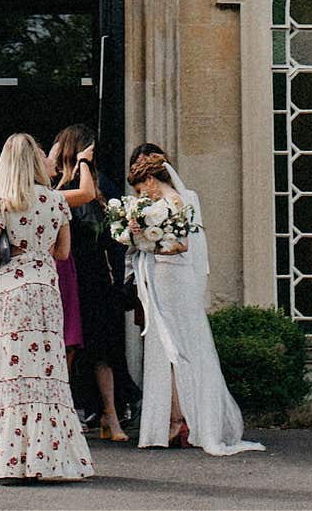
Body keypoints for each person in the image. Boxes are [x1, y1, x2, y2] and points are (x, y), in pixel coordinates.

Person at [117, 147, 261, 456]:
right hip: (158, 278)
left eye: (142, 188)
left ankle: (180, 418)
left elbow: (181, 246)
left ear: (153, 180)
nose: (142, 194)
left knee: (176, 346)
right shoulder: (156, 204)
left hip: (173, 279)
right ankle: (172, 418)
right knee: (164, 346)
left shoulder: (177, 202)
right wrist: (136, 235)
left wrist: (147, 244)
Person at [0, 133, 95, 483]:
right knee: (49, 368)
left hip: (14, 286)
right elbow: (62, 253)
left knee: (15, 370)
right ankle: (51, 455)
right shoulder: (56, 201)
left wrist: (13, 248)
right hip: (46, 286)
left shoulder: (2, 200)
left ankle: (15, 458)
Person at [47, 125, 133, 443]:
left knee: (101, 349)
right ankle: (72, 413)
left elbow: (116, 238)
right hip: (71, 276)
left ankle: (110, 413)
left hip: (93, 277)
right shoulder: (60, 187)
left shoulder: (97, 187)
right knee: (71, 349)